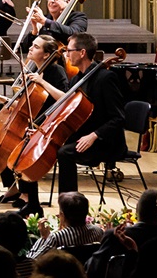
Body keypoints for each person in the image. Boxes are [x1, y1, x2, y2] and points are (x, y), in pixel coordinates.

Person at [16, 32, 125, 218]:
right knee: (30, 141)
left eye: (69, 51)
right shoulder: (77, 80)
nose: (66, 55)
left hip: (105, 142)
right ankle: (33, 204)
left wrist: (94, 136)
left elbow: (119, 118)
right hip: (82, 136)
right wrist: (42, 130)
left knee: (65, 153)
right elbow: (65, 114)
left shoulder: (105, 78)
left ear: (82, 52)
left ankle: (69, 211)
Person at [0, 35, 67, 206]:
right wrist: (1, 98)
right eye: (32, 45)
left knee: (16, 145)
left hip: (46, 124)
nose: (31, 48)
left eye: (36, 46)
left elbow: (65, 98)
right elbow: (23, 106)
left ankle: (26, 195)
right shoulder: (34, 70)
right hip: (30, 120)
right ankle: (13, 189)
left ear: (46, 54)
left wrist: (43, 82)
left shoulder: (55, 72)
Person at [22, 0, 89, 51]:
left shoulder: (78, 17)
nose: (52, 1)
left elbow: (74, 34)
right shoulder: (46, 18)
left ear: (68, 2)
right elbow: (26, 48)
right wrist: (35, 31)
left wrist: (45, 22)